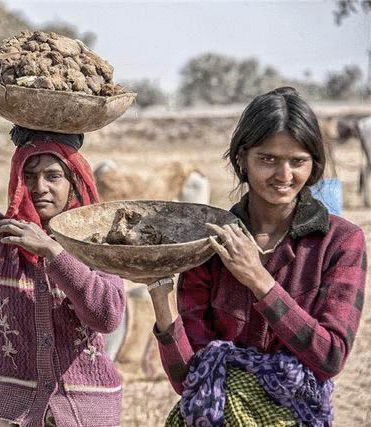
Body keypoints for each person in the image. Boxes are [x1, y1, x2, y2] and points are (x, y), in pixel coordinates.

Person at [147, 87, 367, 426]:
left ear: (314, 165)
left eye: (298, 161)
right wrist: (161, 297)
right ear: (242, 159)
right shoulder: (208, 244)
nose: (284, 176)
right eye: (268, 159)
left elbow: (330, 356)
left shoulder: (340, 241)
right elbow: (188, 379)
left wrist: (258, 278)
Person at [0, 65, 126, 427]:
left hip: (84, 414)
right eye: (28, 176)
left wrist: (53, 252)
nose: (40, 187)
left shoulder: (98, 240)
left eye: (53, 176)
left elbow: (107, 316)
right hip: (11, 413)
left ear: (74, 182)